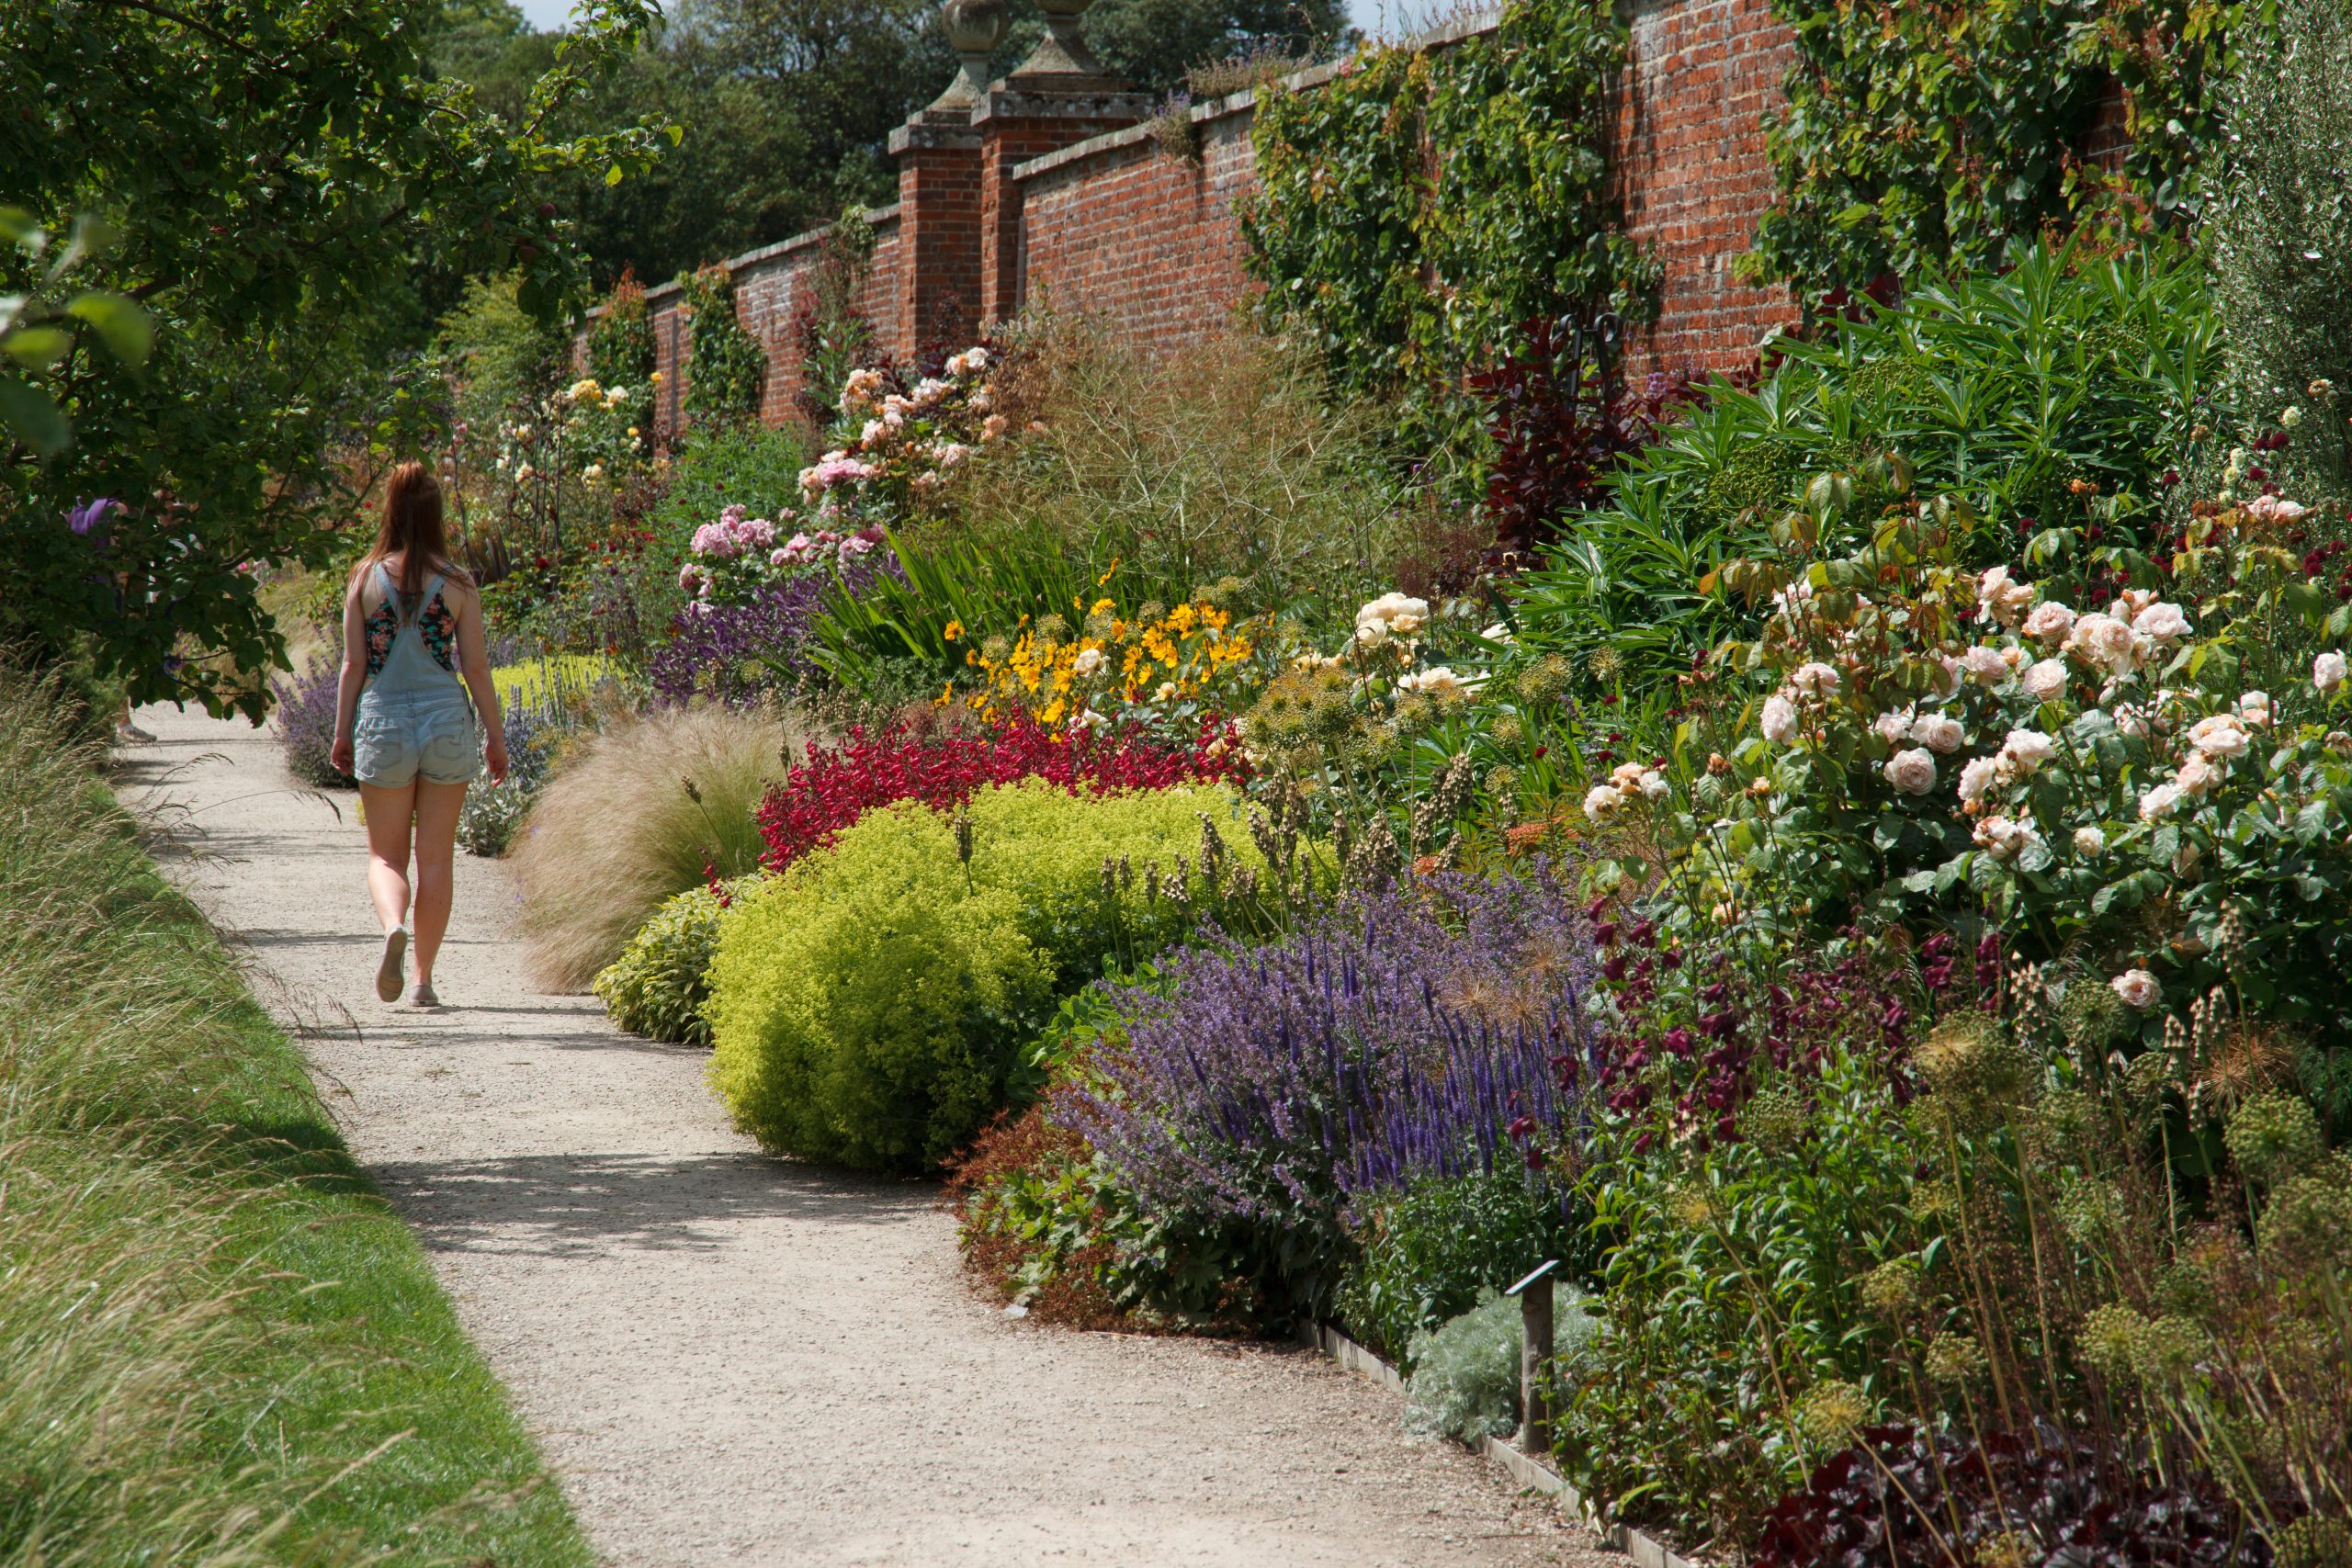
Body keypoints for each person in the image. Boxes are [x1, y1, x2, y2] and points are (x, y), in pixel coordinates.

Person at [329, 463, 508, 1007]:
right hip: (445, 723)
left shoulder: (363, 580)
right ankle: (425, 981)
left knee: (386, 859)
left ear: (389, 509)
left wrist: (341, 734)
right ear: (435, 515)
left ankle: (391, 930)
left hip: (383, 722)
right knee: (435, 859)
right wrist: (496, 740)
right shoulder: (457, 582)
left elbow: (351, 667)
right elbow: (476, 668)